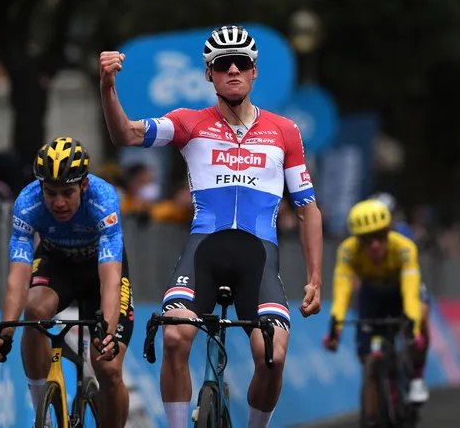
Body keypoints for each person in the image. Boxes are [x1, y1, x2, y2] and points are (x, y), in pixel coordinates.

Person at [100, 25, 323, 428]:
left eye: (242, 64)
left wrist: (315, 278)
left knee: (272, 357)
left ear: (255, 72)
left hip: (258, 258)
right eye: (223, 64)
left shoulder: (285, 131)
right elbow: (125, 133)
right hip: (203, 253)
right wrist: (107, 88)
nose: (233, 70)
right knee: (174, 337)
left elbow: (307, 208)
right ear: (209, 74)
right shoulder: (189, 123)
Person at [0, 137, 133, 428]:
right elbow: (18, 276)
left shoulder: (103, 199)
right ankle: (45, 416)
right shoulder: (28, 203)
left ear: (84, 186)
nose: (59, 202)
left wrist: (109, 332)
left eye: (67, 192)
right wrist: (5, 332)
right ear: (40, 188)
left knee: (109, 367)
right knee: (35, 309)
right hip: (57, 262)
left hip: (99, 270)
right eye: (50, 193)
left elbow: (111, 278)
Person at [323, 199, 427, 425]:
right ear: (356, 239)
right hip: (373, 295)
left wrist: (414, 327)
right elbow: (342, 291)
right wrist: (335, 327)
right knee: (366, 359)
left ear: (389, 230)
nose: (375, 245)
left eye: (380, 236)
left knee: (422, 312)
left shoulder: (404, 247)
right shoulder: (348, 251)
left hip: (401, 291)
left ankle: (417, 376)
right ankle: (372, 416)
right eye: (366, 240)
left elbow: (410, 292)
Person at [370, 192, 430, 402]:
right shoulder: (366, 236)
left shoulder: (403, 232)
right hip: (380, 287)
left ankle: (418, 377)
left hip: (407, 282)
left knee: (421, 318)